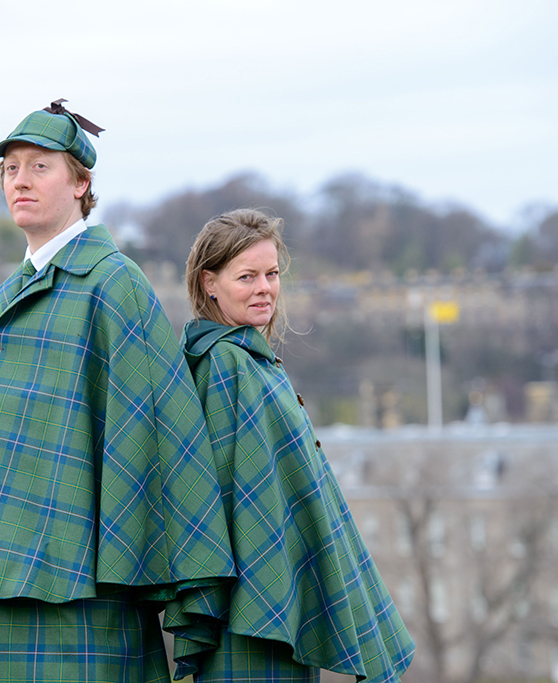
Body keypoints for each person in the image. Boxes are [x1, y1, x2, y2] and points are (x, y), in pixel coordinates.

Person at [0, 100, 234, 682]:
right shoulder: (7, 293)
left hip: (77, 598)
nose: (20, 180)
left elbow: (158, 436)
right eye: (9, 169)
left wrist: (132, 575)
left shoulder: (114, 283)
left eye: (39, 166)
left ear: (82, 183)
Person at [165, 209, 414, 682]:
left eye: (272, 274)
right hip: (255, 607)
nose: (265, 288)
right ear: (209, 283)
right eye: (247, 277)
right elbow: (226, 501)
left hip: (271, 601)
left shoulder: (251, 361)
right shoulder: (225, 366)